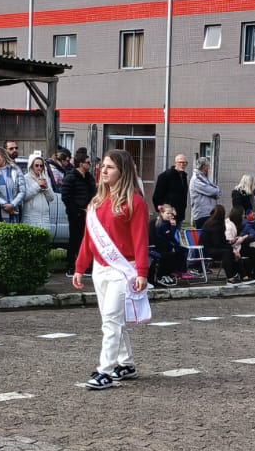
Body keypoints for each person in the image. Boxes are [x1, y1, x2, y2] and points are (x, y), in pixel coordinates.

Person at [72, 149, 149, 390]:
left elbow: (140, 239)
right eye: (103, 166)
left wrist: (142, 271)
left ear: (122, 171)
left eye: (110, 167)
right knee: (111, 318)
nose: (103, 170)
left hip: (123, 269)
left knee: (112, 321)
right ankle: (126, 363)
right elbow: (88, 239)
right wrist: (79, 267)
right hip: (100, 268)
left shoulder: (134, 202)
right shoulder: (96, 202)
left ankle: (104, 370)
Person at [61, 149, 95, 275]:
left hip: (88, 213)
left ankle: (84, 265)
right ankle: (71, 266)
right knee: (74, 239)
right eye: (88, 162)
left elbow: (93, 193)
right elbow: (66, 196)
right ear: (81, 164)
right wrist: (75, 211)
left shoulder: (89, 178)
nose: (90, 165)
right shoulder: (70, 177)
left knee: (85, 240)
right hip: (76, 214)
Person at [149, 203, 188, 286]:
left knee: (182, 250)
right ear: (162, 213)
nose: (169, 215)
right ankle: (162, 275)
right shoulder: (158, 224)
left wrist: (176, 245)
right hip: (158, 246)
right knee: (168, 255)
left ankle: (176, 271)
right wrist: (171, 246)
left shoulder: (168, 223)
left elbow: (171, 237)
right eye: (167, 213)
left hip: (166, 245)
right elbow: (160, 238)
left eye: (171, 213)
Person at [0, 146, 24, 223]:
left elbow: (22, 191)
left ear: (3, 156)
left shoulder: (16, 170)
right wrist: (4, 205)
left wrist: (12, 204)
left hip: (15, 208)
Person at [21, 151, 56, 230]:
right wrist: (38, 186)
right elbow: (24, 197)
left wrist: (46, 188)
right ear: (31, 166)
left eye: (41, 166)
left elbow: (51, 198)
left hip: (44, 218)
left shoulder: (45, 178)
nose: (39, 168)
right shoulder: (25, 178)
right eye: (36, 165)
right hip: (31, 217)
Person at [152, 154, 190, 224]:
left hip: (179, 214)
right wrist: (162, 211)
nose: (182, 164)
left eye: (184, 163)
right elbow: (157, 196)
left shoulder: (183, 176)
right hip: (167, 215)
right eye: (180, 162)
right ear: (175, 163)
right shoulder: (165, 176)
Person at [189, 159, 220, 229]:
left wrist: (216, 190)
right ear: (204, 167)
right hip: (202, 214)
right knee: (204, 234)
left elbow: (214, 190)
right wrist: (217, 190)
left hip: (208, 213)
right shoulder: (197, 179)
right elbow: (213, 191)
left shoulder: (203, 177)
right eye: (208, 166)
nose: (209, 168)